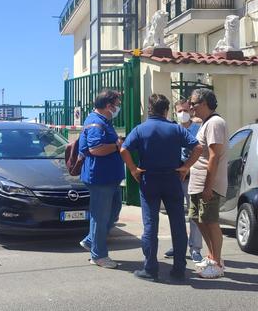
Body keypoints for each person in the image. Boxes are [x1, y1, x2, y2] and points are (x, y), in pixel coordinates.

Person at [120, 94, 202, 282]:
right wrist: (186, 166)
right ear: (166, 110)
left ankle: (150, 268)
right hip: (172, 179)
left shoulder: (141, 129)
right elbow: (197, 148)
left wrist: (133, 169)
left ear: (150, 109)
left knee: (150, 225)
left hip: (149, 180)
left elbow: (124, 149)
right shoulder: (175, 129)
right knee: (178, 224)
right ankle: (179, 268)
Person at [78, 89, 125, 269]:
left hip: (108, 177)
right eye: (117, 105)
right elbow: (96, 149)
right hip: (100, 178)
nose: (118, 108)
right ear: (108, 106)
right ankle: (99, 255)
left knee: (113, 210)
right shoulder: (95, 123)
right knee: (100, 216)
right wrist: (116, 145)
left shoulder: (103, 121)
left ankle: (91, 240)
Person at [188, 88, 227, 279]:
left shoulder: (215, 123)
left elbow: (214, 157)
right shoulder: (206, 123)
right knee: (198, 219)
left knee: (210, 221)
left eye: (193, 103)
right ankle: (212, 257)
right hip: (198, 183)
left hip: (207, 183)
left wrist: (208, 186)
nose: (191, 106)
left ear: (204, 103)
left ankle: (217, 263)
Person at [164, 99, 204, 263]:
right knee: (176, 213)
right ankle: (178, 245)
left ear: (191, 111)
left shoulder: (198, 128)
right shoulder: (173, 129)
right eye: (179, 111)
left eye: (185, 110)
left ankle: (195, 248)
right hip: (176, 176)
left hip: (193, 175)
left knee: (194, 213)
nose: (183, 114)